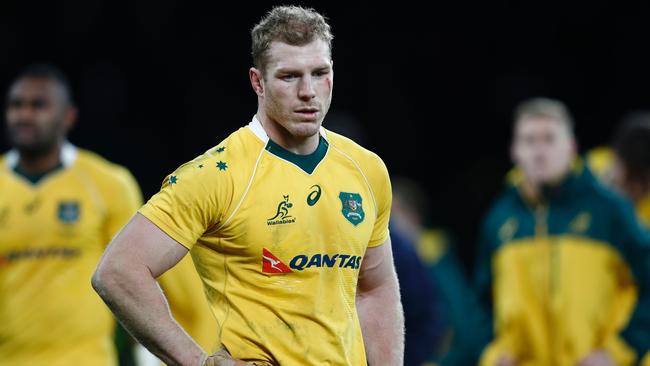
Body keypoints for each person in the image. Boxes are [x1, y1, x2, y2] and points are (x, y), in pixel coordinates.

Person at [92, 6, 404, 366]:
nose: (308, 91)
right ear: (258, 81)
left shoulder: (366, 169)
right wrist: (197, 361)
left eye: (320, 73)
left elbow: (375, 289)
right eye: (289, 77)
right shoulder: (216, 174)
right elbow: (117, 270)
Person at [475, 97, 650, 366]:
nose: (539, 151)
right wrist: (493, 353)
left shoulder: (609, 210)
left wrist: (620, 350)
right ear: (514, 150)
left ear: (571, 147)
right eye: (529, 141)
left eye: (549, 139)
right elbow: (481, 302)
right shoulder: (499, 219)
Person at [0, 64, 142, 365]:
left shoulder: (107, 183)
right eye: (16, 105)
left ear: (68, 116)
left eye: (38, 105)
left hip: (85, 358)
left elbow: (138, 275)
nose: (24, 115)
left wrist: (147, 353)